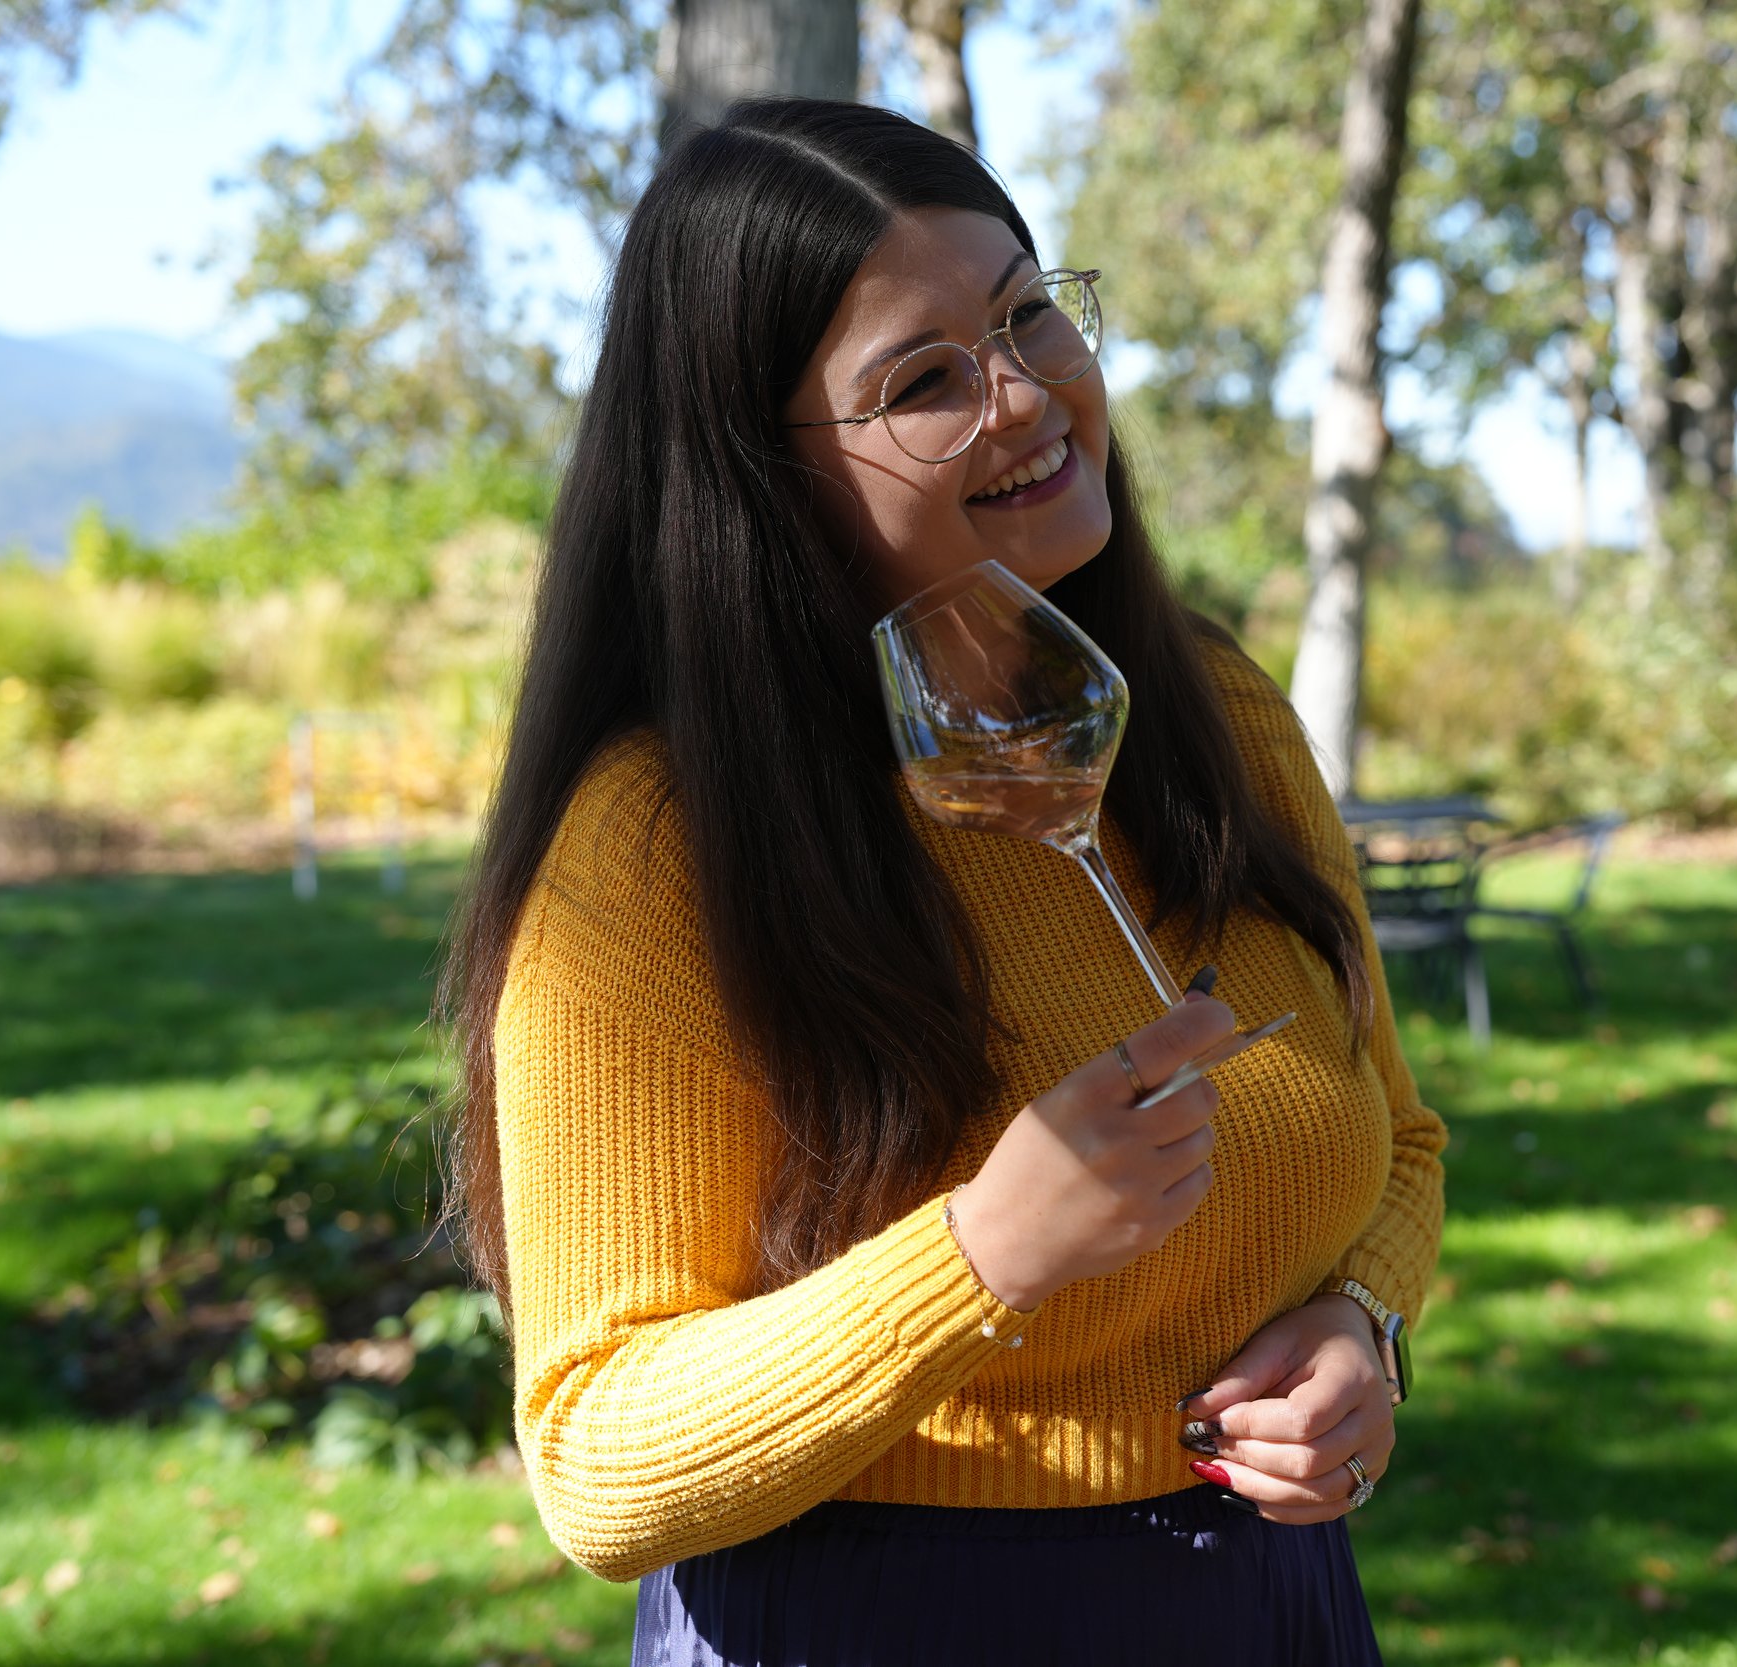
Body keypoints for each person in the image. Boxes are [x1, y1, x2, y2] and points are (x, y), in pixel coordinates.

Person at [435, 95, 1447, 1666]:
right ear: (758, 473)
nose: (1028, 394)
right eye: (924, 380)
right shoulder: (660, 849)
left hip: (1267, 1611)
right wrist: (986, 1250)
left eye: (1030, 312)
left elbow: (1402, 1137)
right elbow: (595, 1455)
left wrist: (1358, 1327)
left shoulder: (1215, 715)